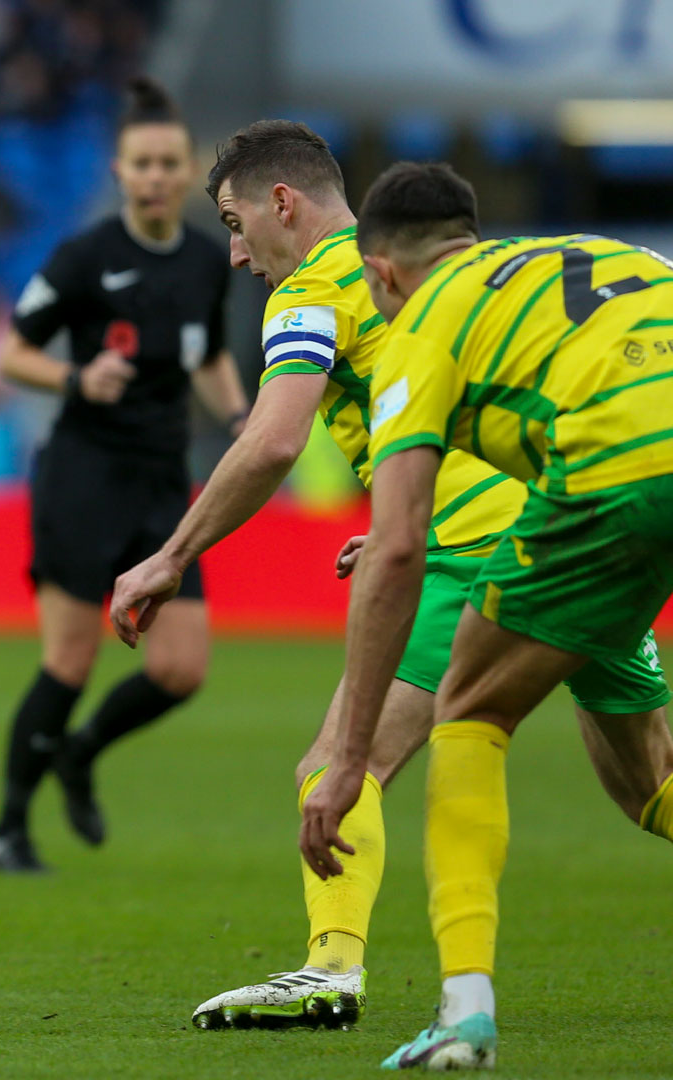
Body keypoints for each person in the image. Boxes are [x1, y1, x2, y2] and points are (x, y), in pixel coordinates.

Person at [106, 122, 673, 1032]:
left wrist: (172, 555)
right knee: (649, 785)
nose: (239, 252)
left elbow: (274, 439)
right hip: (576, 506)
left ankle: (333, 970)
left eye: (235, 222)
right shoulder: (470, 271)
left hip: (474, 542)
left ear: (281, 202)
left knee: (342, 762)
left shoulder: (317, 287)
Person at [302, 162, 673, 1069]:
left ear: (381, 273)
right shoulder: (591, 255)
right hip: (618, 466)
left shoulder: (420, 329)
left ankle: (465, 1011)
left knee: (470, 711)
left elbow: (396, 552)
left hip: (618, 478)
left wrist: (350, 758)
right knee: (647, 779)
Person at [0, 77, 247, 873]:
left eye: (171, 162)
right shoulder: (85, 257)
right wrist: (73, 379)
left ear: (188, 170)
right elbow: (12, 352)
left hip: (163, 482)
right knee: (69, 660)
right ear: (120, 170)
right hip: (83, 476)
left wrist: (243, 422)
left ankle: (83, 752)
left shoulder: (209, 260)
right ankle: (9, 826)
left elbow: (205, 355)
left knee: (180, 667)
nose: (158, 176)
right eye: (144, 163)